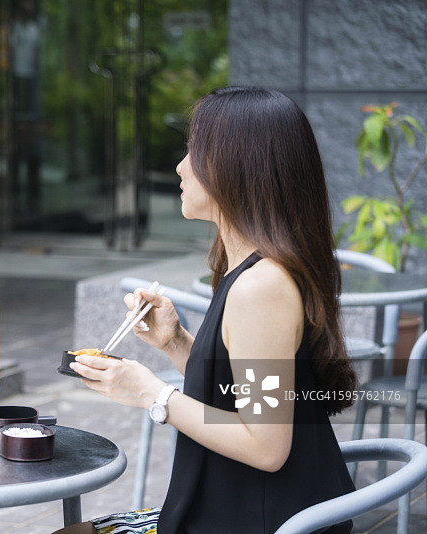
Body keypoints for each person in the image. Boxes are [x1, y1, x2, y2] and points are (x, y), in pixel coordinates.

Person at [56, 86, 357, 534]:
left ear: (238, 165)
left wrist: (152, 395)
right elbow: (245, 394)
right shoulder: (253, 268)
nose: (179, 166)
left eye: (195, 150)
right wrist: (175, 342)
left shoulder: (261, 286)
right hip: (252, 508)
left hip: (260, 521)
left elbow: (266, 446)